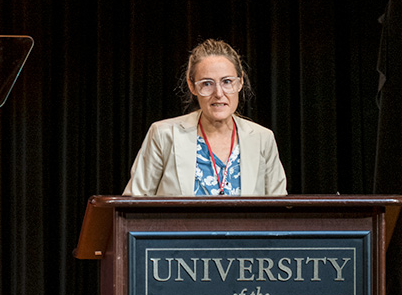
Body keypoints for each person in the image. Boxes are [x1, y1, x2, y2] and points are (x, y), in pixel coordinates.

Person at [123, 39, 288, 196]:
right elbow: (132, 206)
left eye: (227, 82)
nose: (218, 93)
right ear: (192, 86)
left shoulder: (263, 139)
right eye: (207, 83)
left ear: (240, 83)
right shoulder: (164, 135)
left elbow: (279, 212)